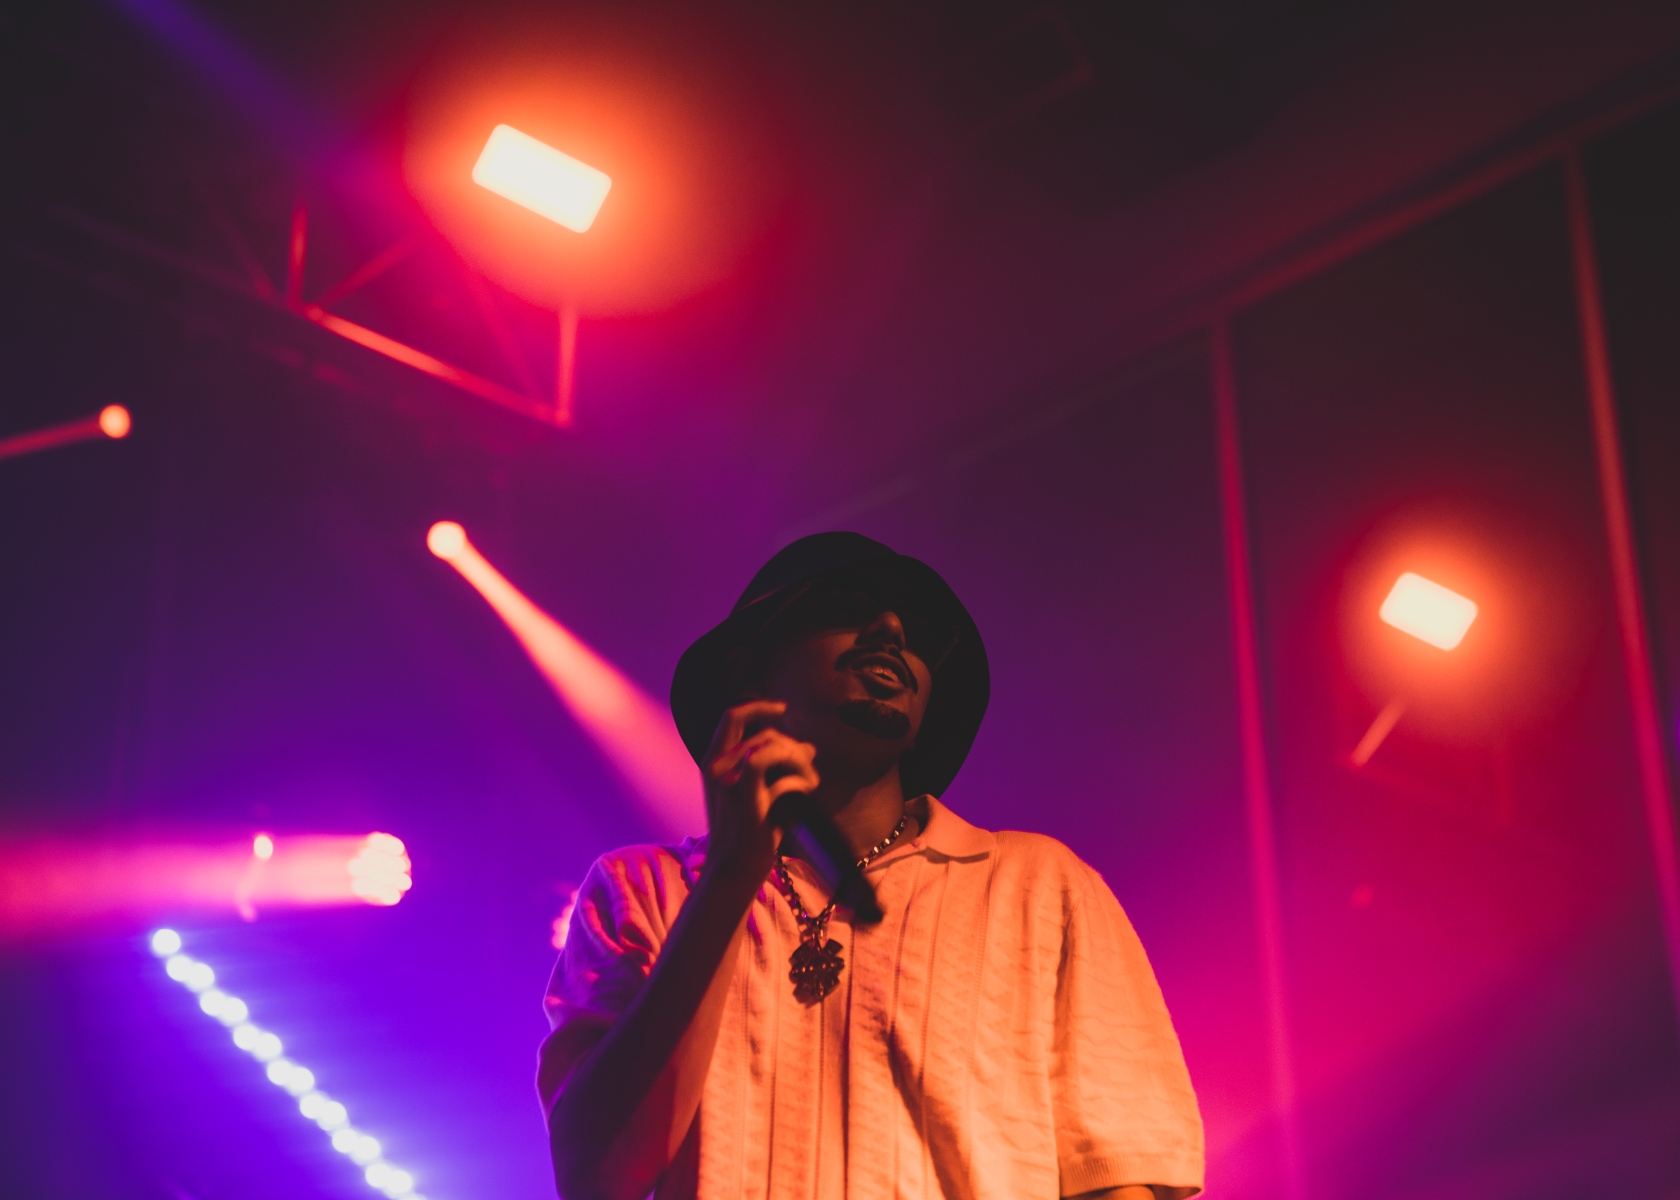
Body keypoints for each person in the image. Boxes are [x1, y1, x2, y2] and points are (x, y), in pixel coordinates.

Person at [539, 532, 1204, 1200]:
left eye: (919, 631)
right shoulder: (641, 891)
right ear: (746, 672)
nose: (890, 629)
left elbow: (1121, 1177)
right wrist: (730, 880)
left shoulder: (1040, 886)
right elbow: (598, 1177)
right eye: (845, 605)